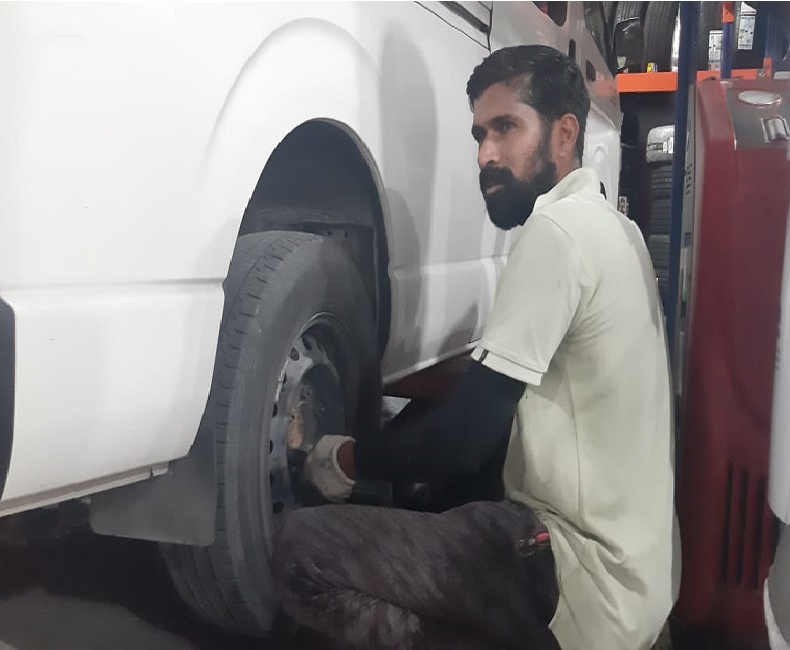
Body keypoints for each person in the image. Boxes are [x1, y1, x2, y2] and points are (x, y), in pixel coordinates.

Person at [271, 44, 680, 650]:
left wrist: (345, 460)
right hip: (641, 580)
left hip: (578, 578)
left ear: (565, 133)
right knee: (437, 494)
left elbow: (462, 442)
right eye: (479, 135)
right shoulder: (616, 228)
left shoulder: (556, 233)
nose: (486, 154)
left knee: (300, 551)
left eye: (506, 128)